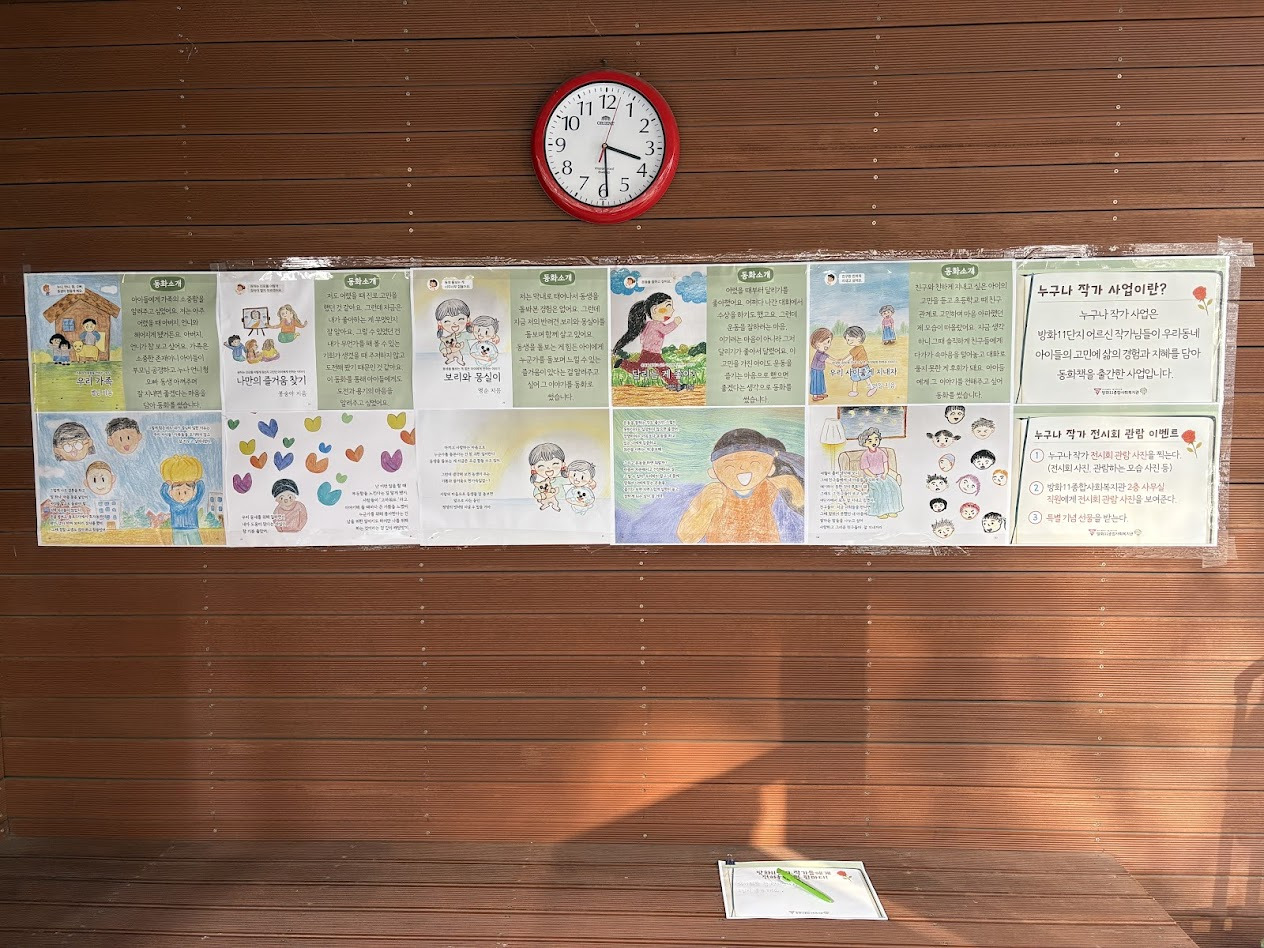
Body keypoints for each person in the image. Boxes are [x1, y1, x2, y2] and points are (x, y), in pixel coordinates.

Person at [676, 428, 804, 544]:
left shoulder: (768, 485)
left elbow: (793, 490)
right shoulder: (713, 492)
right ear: (713, 472)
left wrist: (795, 488)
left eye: (754, 462)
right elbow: (687, 538)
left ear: (770, 469)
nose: (743, 467)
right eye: (730, 465)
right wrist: (706, 509)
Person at [612, 292, 690, 391]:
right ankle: (675, 385)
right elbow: (666, 330)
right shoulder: (656, 324)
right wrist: (675, 323)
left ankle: (622, 363)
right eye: (668, 306)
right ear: (654, 309)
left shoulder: (648, 324)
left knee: (645, 369)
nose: (673, 310)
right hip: (652, 354)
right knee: (660, 369)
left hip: (648, 352)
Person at [854, 426, 903, 519]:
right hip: (871, 477)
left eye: (876, 439)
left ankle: (892, 509)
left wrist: (885, 473)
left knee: (893, 487)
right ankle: (880, 512)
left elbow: (885, 464)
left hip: (883, 475)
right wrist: (873, 476)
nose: (874, 442)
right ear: (865, 443)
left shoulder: (881, 452)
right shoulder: (865, 455)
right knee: (878, 491)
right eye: (870, 440)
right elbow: (865, 469)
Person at [159, 455, 206, 546]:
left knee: (197, 546)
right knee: (179, 548)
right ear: (171, 493)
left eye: (186, 492)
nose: (182, 496)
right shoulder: (173, 503)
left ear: (193, 492)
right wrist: (166, 485)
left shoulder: (193, 503)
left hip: (192, 528)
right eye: (178, 492)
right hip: (177, 529)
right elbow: (164, 494)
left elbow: (200, 493)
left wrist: (199, 482)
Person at [842, 325, 877, 398]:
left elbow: (850, 356)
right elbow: (850, 355)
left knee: (865, 378)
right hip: (856, 367)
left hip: (862, 367)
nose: (848, 342)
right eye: (847, 340)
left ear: (858, 338)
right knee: (855, 379)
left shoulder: (858, 348)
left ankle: (871, 388)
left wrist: (842, 362)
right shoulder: (856, 348)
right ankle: (854, 391)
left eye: (850, 340)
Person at [808, 328, 842, 401]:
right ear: (817, 344)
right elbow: (826, 359)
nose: (828, 345)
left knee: (820, 382)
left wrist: (835, 360)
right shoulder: (819, 354)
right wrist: (835, 363)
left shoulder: (822, 352)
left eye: (829, 342)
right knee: (816, 382)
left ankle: (820, 393)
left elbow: (827, 356)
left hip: (819, 370)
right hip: (816, 370)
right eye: (826, 342)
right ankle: (815, 396)